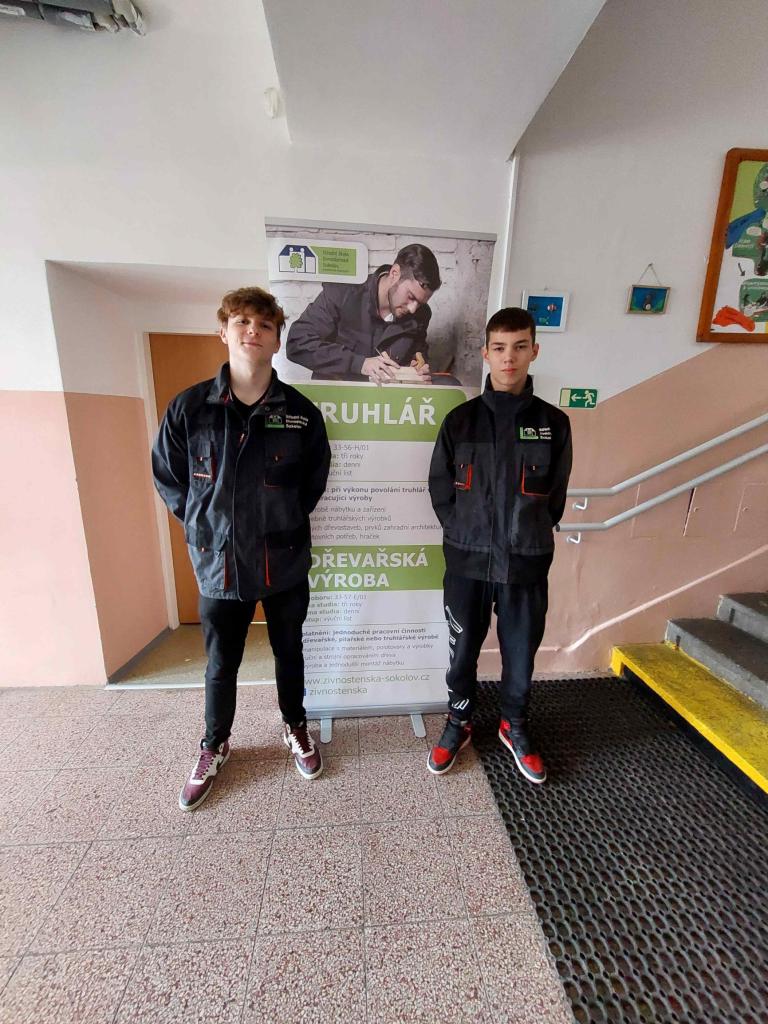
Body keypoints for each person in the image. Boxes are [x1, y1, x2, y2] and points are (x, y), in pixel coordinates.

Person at [152, 286, 331, 810]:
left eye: (265, 325)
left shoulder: (300, 413)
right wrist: (205, 525)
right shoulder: (189, 409)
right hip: (220, 564)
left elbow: (313, 480)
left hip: (284, 560)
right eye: (242, 322)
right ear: (224, 332)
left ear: (276, 340)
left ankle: (295, 727)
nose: (253, 331)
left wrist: (284, 520)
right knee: (221, 661)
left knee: (289, 651)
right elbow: (169, 477)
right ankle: (215, 744)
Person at [426, 307, 572, 783]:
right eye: (500, 348)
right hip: (466, 563)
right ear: (486, 353)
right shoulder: (460, 421)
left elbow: (555, 498)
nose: (510, 358)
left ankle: (515, 724)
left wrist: (528, 533)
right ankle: (459, 721)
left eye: (520, 347)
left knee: (520, 653)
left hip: (526, 564)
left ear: (534, 350)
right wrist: (464, 532)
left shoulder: (554, 423)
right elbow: (441, 490)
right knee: (462, 651)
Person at [285, 242, 441, 383]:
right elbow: (297, 343)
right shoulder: (342, 292)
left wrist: (418, 369)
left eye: (420, 303)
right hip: (335, 399)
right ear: (394, 274)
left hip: (386, 402)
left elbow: (417, 355)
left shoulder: (421, 315)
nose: (413, 309)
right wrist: (359, 364)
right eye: (411, 297)